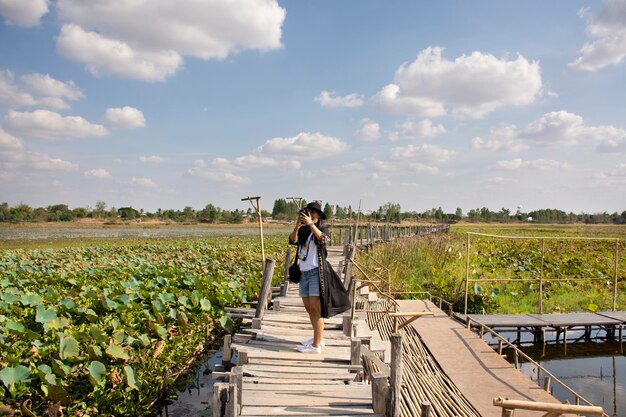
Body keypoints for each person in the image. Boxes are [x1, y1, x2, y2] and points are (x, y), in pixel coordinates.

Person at [288, 201, 330, 353]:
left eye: (313, 212)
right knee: (309, 309)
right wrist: (298, 226)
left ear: (319, 215)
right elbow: (292, 240)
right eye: (308, 212)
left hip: (315, 273)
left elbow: (323, 239)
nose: (310, 215)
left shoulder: (321, 229)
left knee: (316, 310)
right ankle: (318, 338)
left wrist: (311, 224)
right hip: (304, 272)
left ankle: (316, 346)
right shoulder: (304, 231)